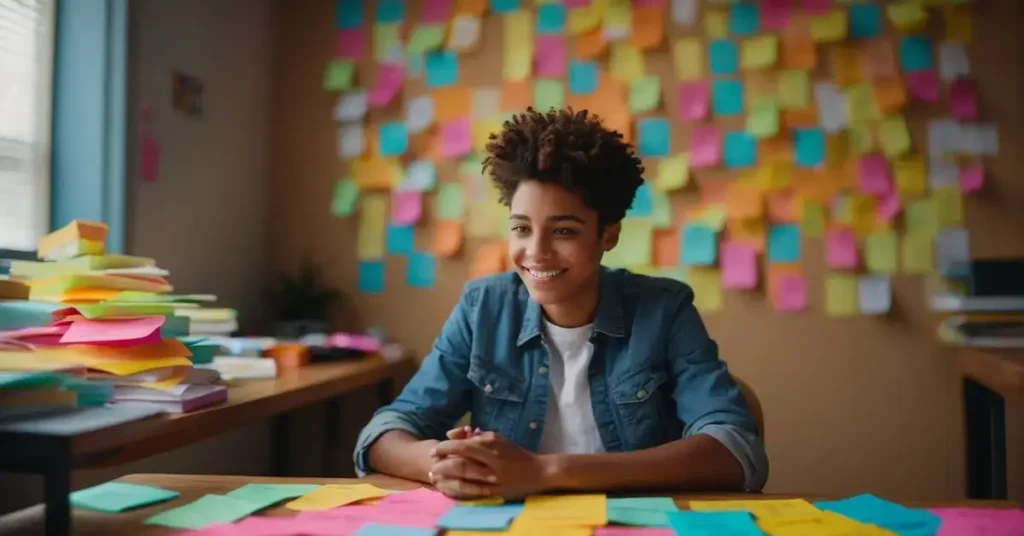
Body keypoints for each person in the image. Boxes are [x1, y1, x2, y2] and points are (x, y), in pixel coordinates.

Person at [353, 108, 768, 499]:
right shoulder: (483, 308)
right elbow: (386, 432)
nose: (536, 252)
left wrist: (547, 472)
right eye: (521, 228)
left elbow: (734, 450)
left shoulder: (664, 310)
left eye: (564, 231)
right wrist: (444, 463)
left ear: (608, 235)